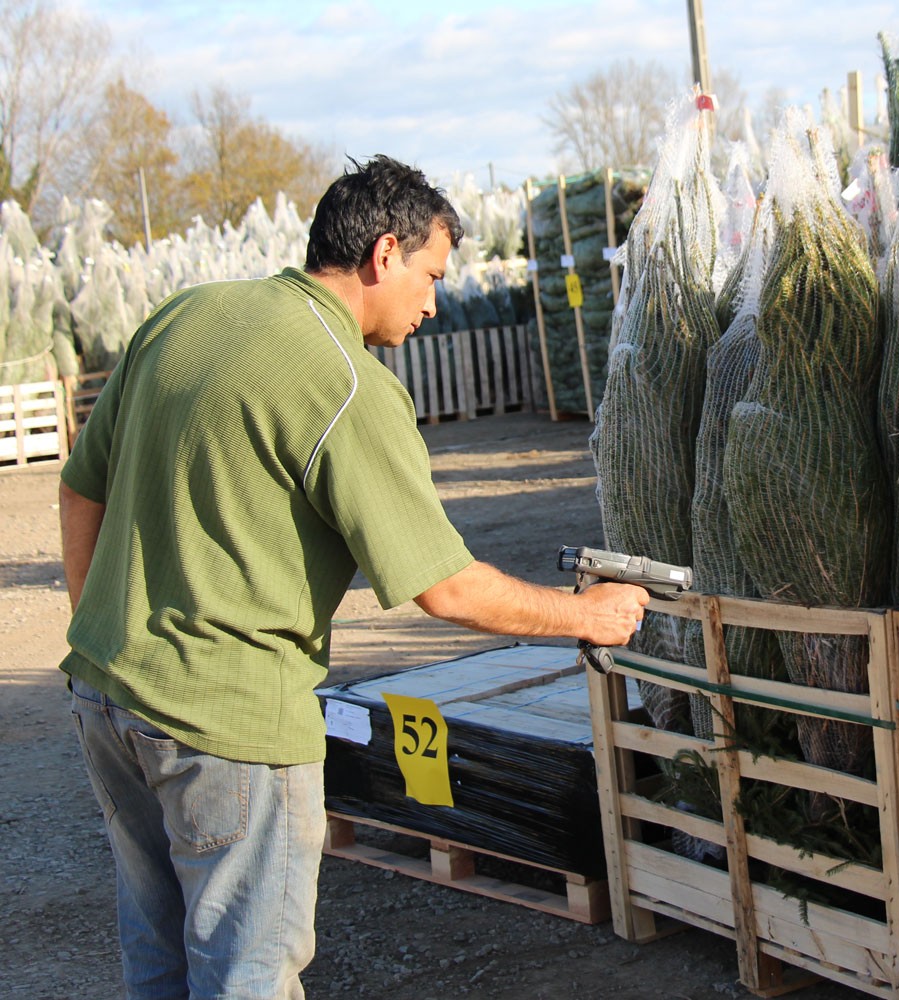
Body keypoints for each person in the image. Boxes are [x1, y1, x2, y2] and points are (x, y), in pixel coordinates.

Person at [57, 154, 649, 1000]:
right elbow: (443, 588)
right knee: (245, 970)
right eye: (431, 275)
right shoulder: (347, 384)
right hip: (228, 726)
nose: (435, 303)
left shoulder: (188, 314)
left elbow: (79, 487)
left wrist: (101, 628)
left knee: (157, 952)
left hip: (107, 698)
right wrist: (584, 616)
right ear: (383, 254)